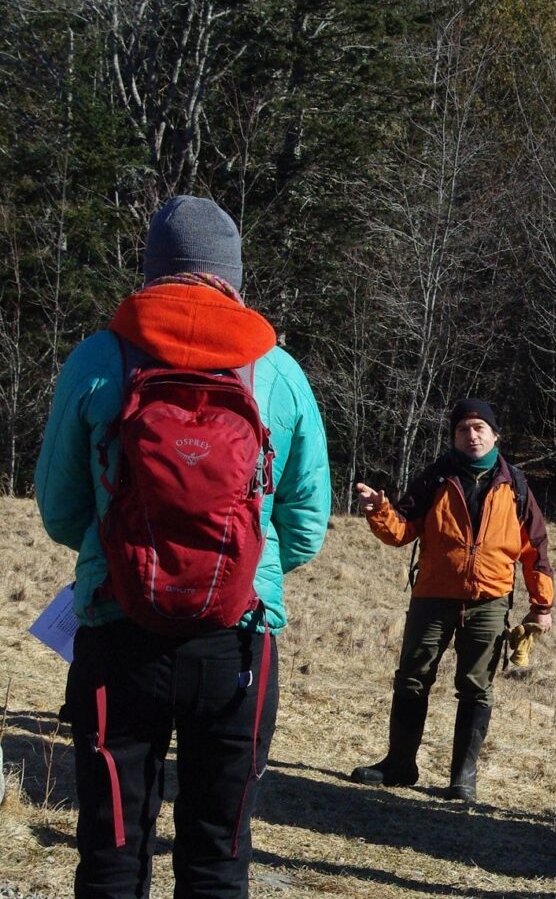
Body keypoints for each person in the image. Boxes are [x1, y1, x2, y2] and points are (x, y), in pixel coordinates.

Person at [35, 195, 332, 898]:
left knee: (111, 853)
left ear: (152, 269)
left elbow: (57, 509)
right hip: (237, 640)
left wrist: (132, 552)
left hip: (117, 628)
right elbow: (307, 523)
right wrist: (243, 571)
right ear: (229, 274)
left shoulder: (100, 358)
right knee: (217, 856)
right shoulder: (278, 372)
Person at [351, 398, 554, 802]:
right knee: (411, 678)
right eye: (463, 429)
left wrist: (541, 605)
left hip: (489, 602)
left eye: (480, 427)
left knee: (476, 688)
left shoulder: (516, 484)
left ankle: (463, 779)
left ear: (495, 435)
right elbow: (402, 530)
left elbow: (535, 549)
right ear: (454, 437)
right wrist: (380, 510)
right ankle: (399, 765)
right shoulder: (435, 477)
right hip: (432, 598)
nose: (472, 435)